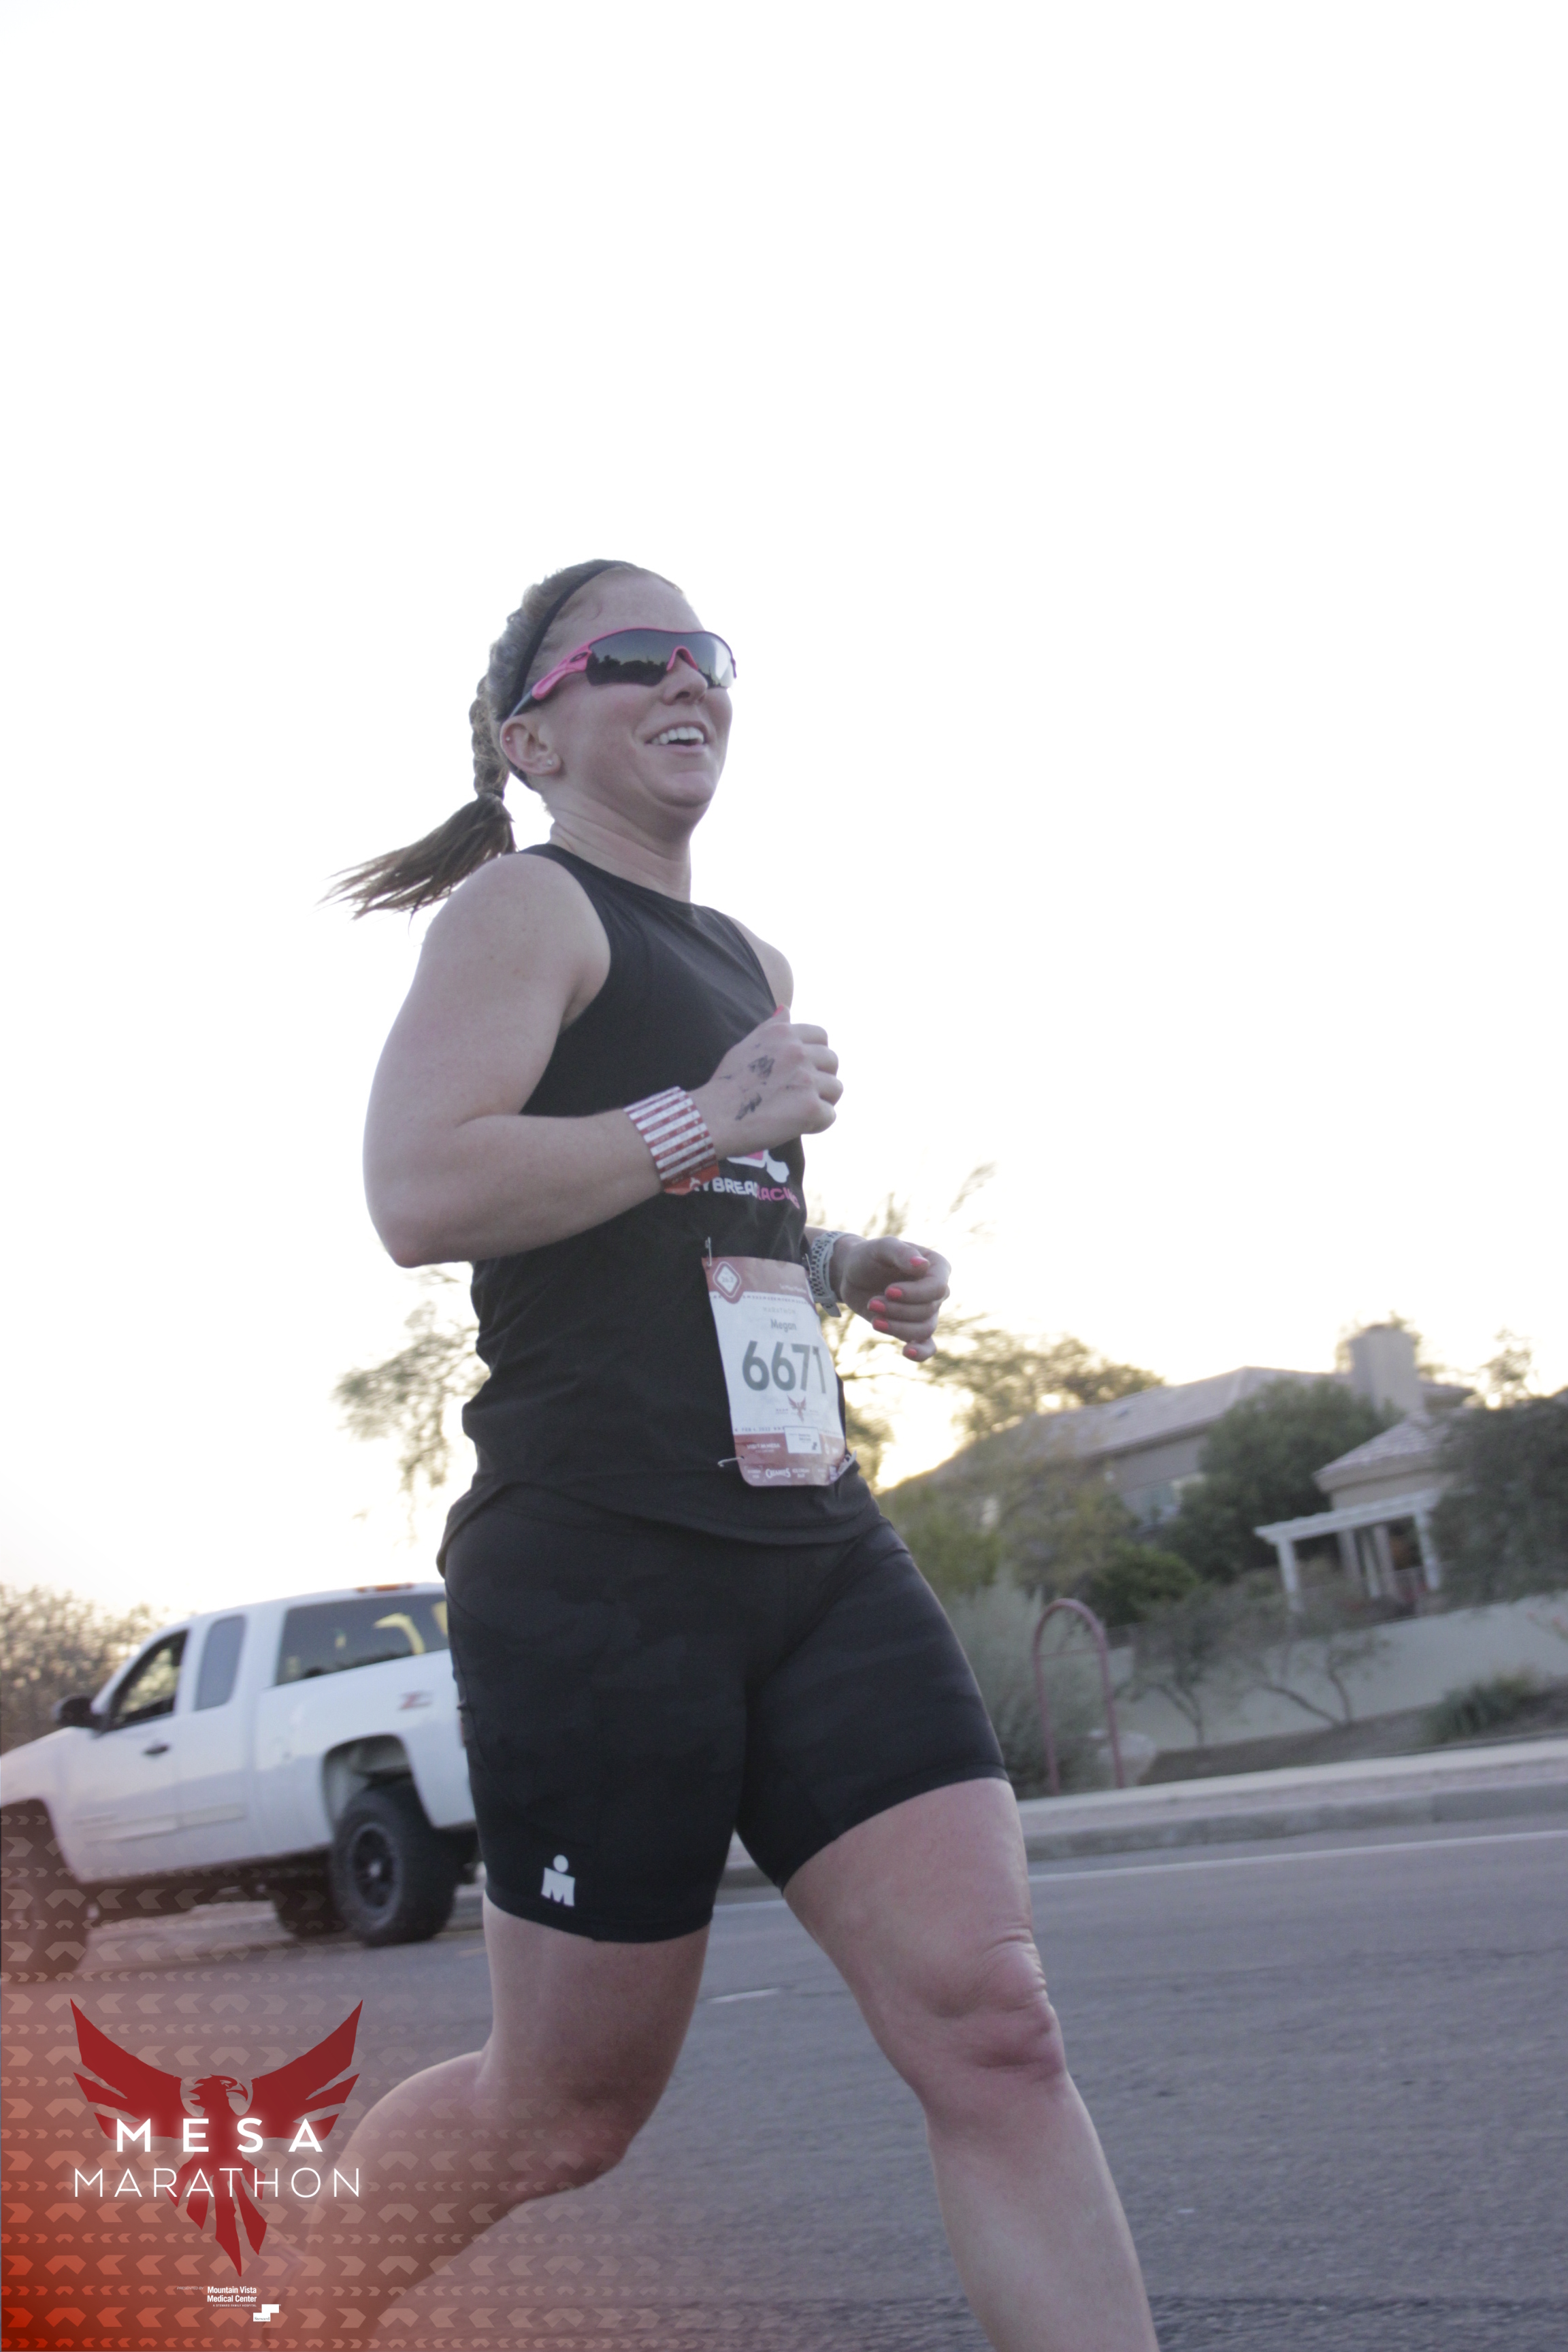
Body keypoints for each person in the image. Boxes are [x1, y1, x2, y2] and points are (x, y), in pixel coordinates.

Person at [303, 559, 1156, 2352]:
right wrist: (710, 1112)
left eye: (707, 655)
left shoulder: (751, 960)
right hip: (602, 1564)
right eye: (634, 657)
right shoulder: (527, 910)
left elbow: (687, 1218)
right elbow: (420, 1189)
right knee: (563, 2117)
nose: (686, 678)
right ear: (534, 737)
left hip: (812, 1544)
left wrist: (838, 1266)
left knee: (996, 2028)